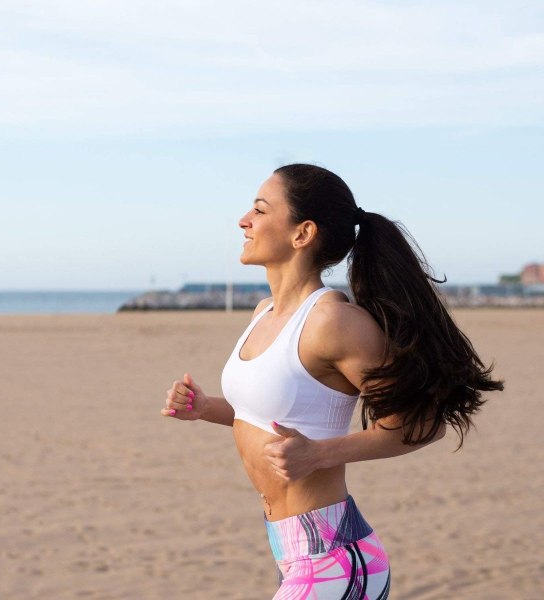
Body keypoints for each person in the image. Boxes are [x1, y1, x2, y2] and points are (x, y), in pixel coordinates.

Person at [160, 163, 504, 599]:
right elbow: (279, 417)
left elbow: (425, 423)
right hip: (289, 551)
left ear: (302, 234)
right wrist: (206, 408)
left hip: (335, 559)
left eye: (260, 210)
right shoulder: (264, 313)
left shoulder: (333, 322)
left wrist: (320, 455)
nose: (243, 220)